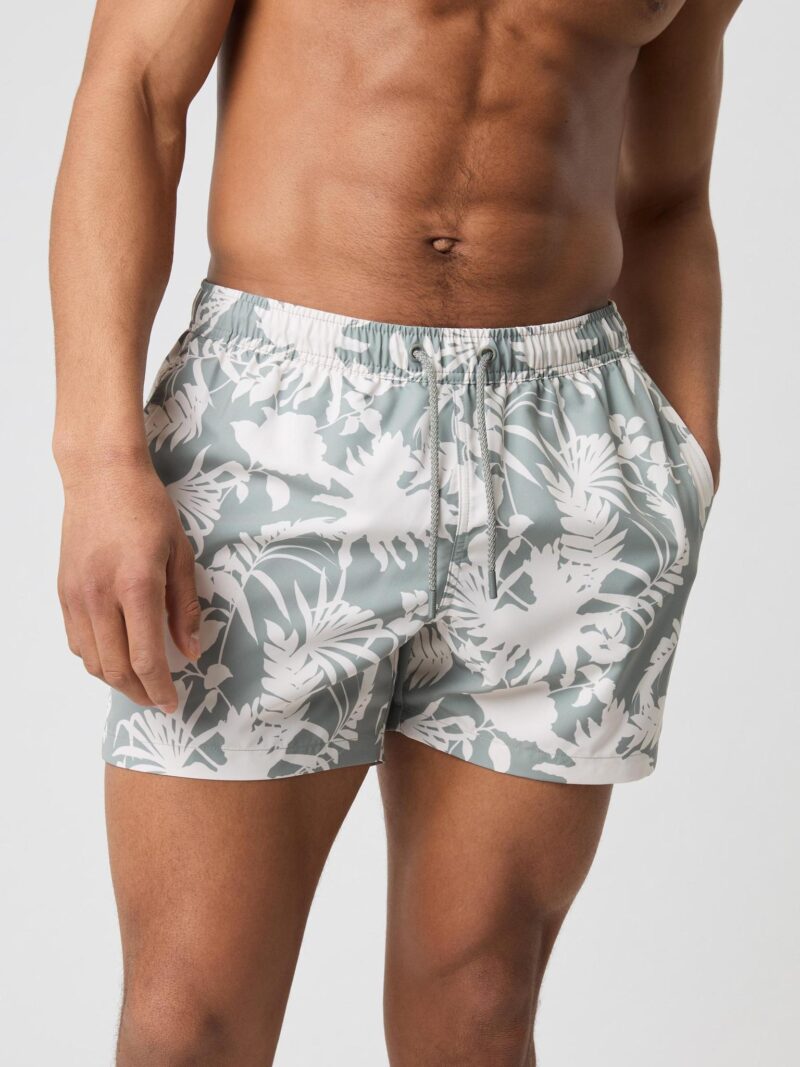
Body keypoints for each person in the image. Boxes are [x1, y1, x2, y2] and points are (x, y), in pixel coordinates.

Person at [50, 0, 741, 1062]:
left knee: (481, 1003)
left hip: (569, 448)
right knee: (189, 1020)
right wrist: (99, 462)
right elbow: (136, 90)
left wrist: (685, 462)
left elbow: (667, 193)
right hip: (278, 428)